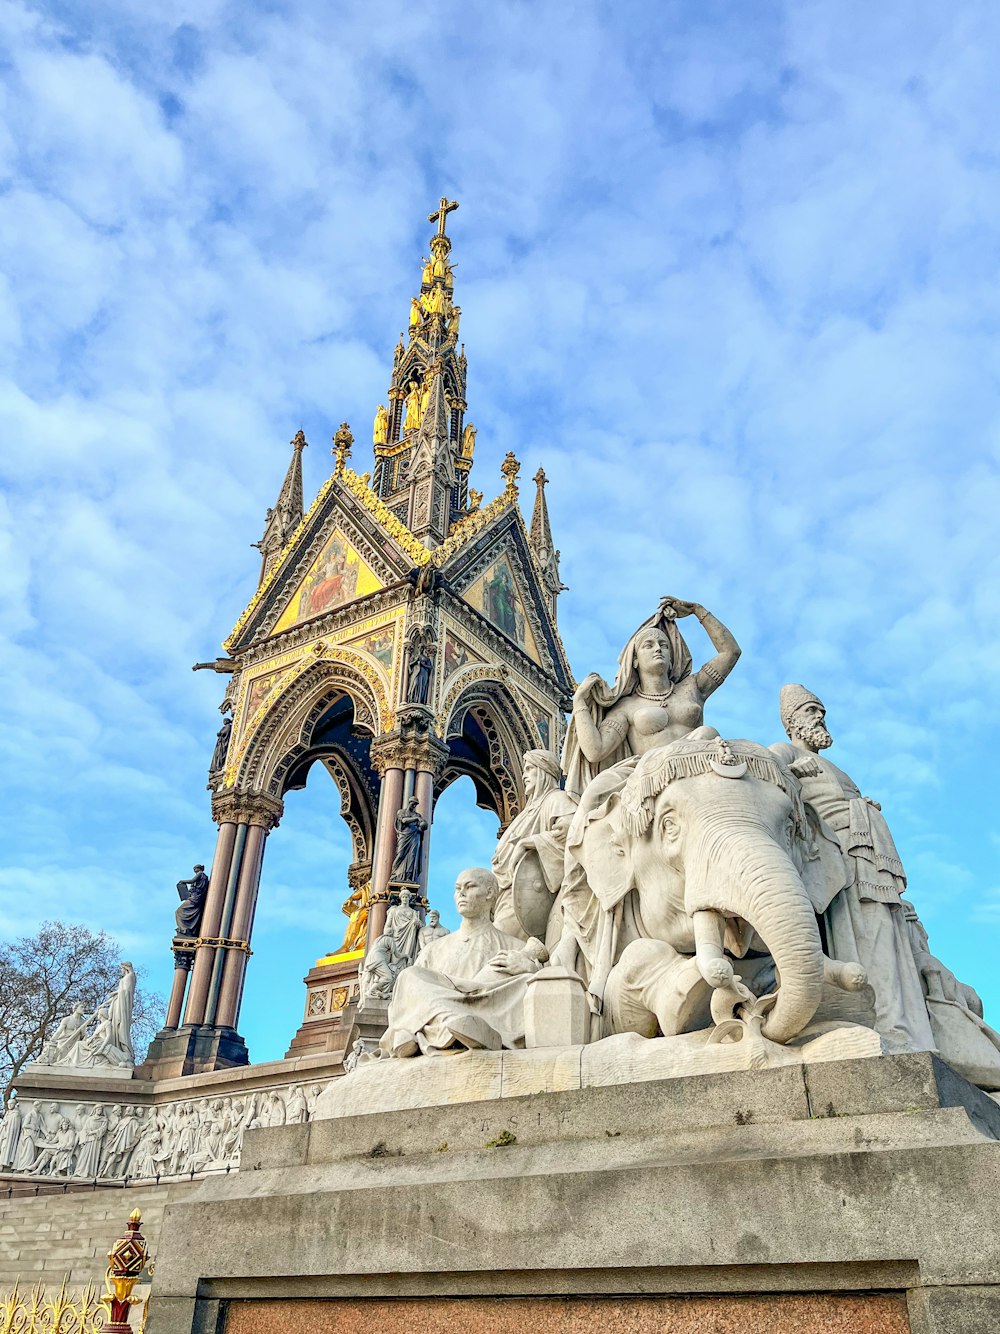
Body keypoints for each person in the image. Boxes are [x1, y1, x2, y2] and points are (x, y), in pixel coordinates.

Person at [770, 685, 935, 1054]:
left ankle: (907, 1030)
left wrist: (862, 806)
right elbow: (765, 775)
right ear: (792, 722)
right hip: (837, 860)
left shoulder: (838, 768)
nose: (820, 717)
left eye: (821, 711)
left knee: (888, 940)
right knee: (864, 939)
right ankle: (881, 1023)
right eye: (812, 711)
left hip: (869, 859)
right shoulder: (784, 751)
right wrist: (793, 768)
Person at [563, 598, 740, 798]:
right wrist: (579, 703)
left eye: (663, 645)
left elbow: (730, 652)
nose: (658, 648)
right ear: (635, 660)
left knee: (708, 733)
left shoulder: (693, 687)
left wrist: (697, 610)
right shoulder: (626, 707)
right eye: (649, 645)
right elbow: (596, 751)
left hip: (698, 766)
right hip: (654, 777)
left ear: (672, 657)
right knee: (593, 794)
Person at [382, 868, 547, 1058]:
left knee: (524, 983)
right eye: (458, 888)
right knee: (408, 976)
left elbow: (545, 989)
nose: (461, 893)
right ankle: (450, 1023)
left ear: (490, 893)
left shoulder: (515, 948)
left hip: (488, 1014)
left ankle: (446, 1028)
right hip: (451, 1017)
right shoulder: (433, 949)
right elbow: (407, 997)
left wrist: (532, 969)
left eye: (470, 886)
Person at [491, 750, 577, 945]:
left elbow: (572, 834)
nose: (524, 775)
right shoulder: (526, 812)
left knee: (500, 943)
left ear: (544, 771)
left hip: (527, 898)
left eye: (529, 769)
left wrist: (530, 842)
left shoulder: (557, 799)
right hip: (504, 892)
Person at [390, 796, 427, 886]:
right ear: (409, 802)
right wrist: (416, 819)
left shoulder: (418, 815)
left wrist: (423, 826)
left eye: (415, 804)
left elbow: (423, 825)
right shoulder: (401, 812)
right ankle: (395, 874)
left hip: (415, 836)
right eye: (413, 803)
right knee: (400, 854)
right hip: (405, 835)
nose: (414, 806)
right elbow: (404, 820)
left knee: (412, 855)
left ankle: (409, 876)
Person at [176, 866, 210, 937]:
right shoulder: (204, 877)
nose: (194, 870)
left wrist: (182, 881)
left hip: (195, 897)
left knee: (179, 911)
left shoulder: (200, 874)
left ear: (199, 869)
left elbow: (192, 881)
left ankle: (185, 929)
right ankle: (187, 929)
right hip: (195, 896)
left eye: (196, 868)